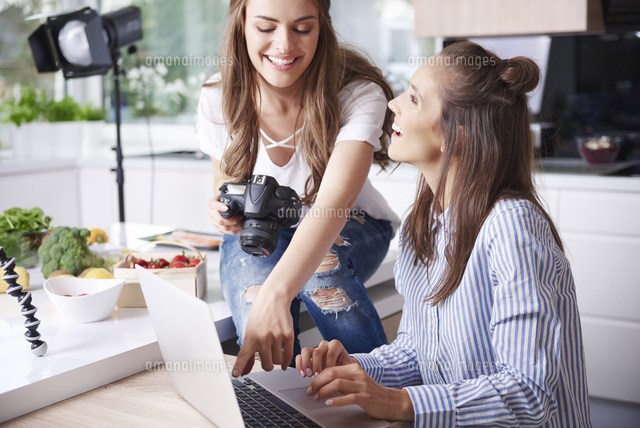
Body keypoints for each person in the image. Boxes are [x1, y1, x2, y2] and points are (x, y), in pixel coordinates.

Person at [295, 41, 592, 427]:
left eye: (414, 99)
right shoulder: (424, 223)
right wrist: (355, 368)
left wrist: (403, 404)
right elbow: (419, 352)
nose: (393, 104)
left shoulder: (511, 226)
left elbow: (528, 393)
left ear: (458, 136)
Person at [196, 0, 400, 377]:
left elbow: (332, 208)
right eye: (266, 28)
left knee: (322, 269)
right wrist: (224, 213)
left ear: (322, 27)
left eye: (302, 29)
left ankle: (378, 388)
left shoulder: (356, 93)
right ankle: (280, 405)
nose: (285, 45)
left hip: (352, 223)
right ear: (241, 24)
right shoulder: (217, 97)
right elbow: (226, 187)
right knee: (254, 301)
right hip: (266, 230)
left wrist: (279, 291)